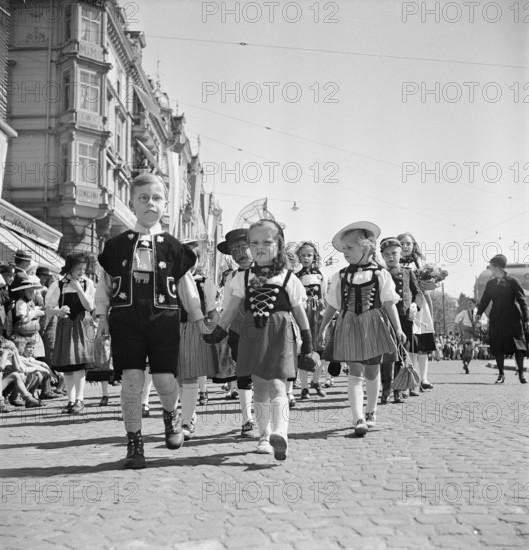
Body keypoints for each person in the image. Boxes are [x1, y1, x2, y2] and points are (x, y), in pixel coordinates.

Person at [95, 173, 203, 469]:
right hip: (126, 320)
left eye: (156, 198)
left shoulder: (174, 246)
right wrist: (100, 316)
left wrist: (198, 319)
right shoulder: (115, 246)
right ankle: (134, 443)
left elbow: (186, 287)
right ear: (132, 202)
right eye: (143, 198)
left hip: (164, 319)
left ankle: (171, 416)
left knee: (164, 380)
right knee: (131, 380)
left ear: (165, 204)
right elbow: (104, 285)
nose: (150, 204)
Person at [205, 219, 315, 460]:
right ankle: (264, 436)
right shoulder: (242, 278)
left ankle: (280, 433)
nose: (259, 247)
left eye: (267, 242)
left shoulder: (289, 278)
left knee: (277, 384)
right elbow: (232, 309)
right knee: (260, 388)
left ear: (280, 245)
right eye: (254, 243)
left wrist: (308, 342)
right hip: (251, 334)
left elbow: (299, 312)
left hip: (280, 333)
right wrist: (219, 331)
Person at [318, 222, 405, 436]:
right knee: (354, 371)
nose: (345, 253)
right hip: (349, 323)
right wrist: (322, 328)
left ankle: (371, 411)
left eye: (349, 248)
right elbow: (332, 305)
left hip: (374, 324)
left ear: (365, 248)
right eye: (344, 249)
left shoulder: (380, 275)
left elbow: (389, 303)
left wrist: (399, 329)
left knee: (372, 371)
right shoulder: (341, 276)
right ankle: (357, 417)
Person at [177, 240, 219, 441]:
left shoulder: (204, 282)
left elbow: (211, 309)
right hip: (170, 328)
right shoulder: (169, 278)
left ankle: (187, 421)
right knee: (176, 376)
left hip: (194, 328)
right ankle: (188, 412)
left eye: (193, 258)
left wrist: (214, 329)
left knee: (190, 374)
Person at [216, 228, 256, 437]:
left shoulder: (266, 271)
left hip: (265, 331)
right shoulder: (231, 277)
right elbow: (226, 306)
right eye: (234, 250)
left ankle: (268, 418)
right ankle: (247, 418)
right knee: (243, 374)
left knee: (265, 375)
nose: (239, 253)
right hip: (239, 331)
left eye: (243, 247)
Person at [46, 253, 95, 414]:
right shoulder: (58, 284)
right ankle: (71, 401)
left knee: (79, 363)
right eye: (79, 268)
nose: (82, 271)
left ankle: (80, 400)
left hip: (82, 324)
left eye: (84, 268)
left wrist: (79, 288)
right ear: (71, 267)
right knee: (67, 365)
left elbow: (89, 307)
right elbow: (48, 308)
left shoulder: (87, 283)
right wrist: (58, 311)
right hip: (65, 324)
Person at [379, 237, 423, 404]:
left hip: (404, 318)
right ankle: (386, 388)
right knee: (386, 354)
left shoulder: (407, 272)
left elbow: (418, 293)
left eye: (394, 253)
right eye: (387, 254)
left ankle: (398, 389)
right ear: (382, 256)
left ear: (400, 254)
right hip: (384, 318)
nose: (391, 257)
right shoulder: (379, 273)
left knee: (401, 354)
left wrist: (414, 305)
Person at [476, 254, 528, 384]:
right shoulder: (490, 283)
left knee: (518, 347)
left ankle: (521, 374)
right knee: (498, 346)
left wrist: (526, 319)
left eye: (491, 266)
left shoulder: (513, 281)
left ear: (497, 267)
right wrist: (478, 313)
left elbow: (522, 301)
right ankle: (501, 375)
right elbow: (484, 300)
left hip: (513, 319)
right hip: (496, 319)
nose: (490, 269)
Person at [398, 232, 436, 393]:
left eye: (409, 243)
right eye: (403, 244)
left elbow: (427, 290)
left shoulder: (420, 263)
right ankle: (411, 380)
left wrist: (430, 282)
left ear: (414, 245)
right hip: (404, 306)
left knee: (423, 344)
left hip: (420, 305)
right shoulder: (394, 261)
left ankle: (424, 378)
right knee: (410, 345)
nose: (406, 246)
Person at [295, 241, 328, 400]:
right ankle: (304, 387)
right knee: (304, 351)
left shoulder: (322, 274)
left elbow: (325, 294)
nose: (306, 258)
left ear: (314, 256)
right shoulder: (296, 277)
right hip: (304, 313)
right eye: (303, 255)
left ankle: (316, 380)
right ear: (299, 258)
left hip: (319, 315)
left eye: (309, 255)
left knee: (322, 351)